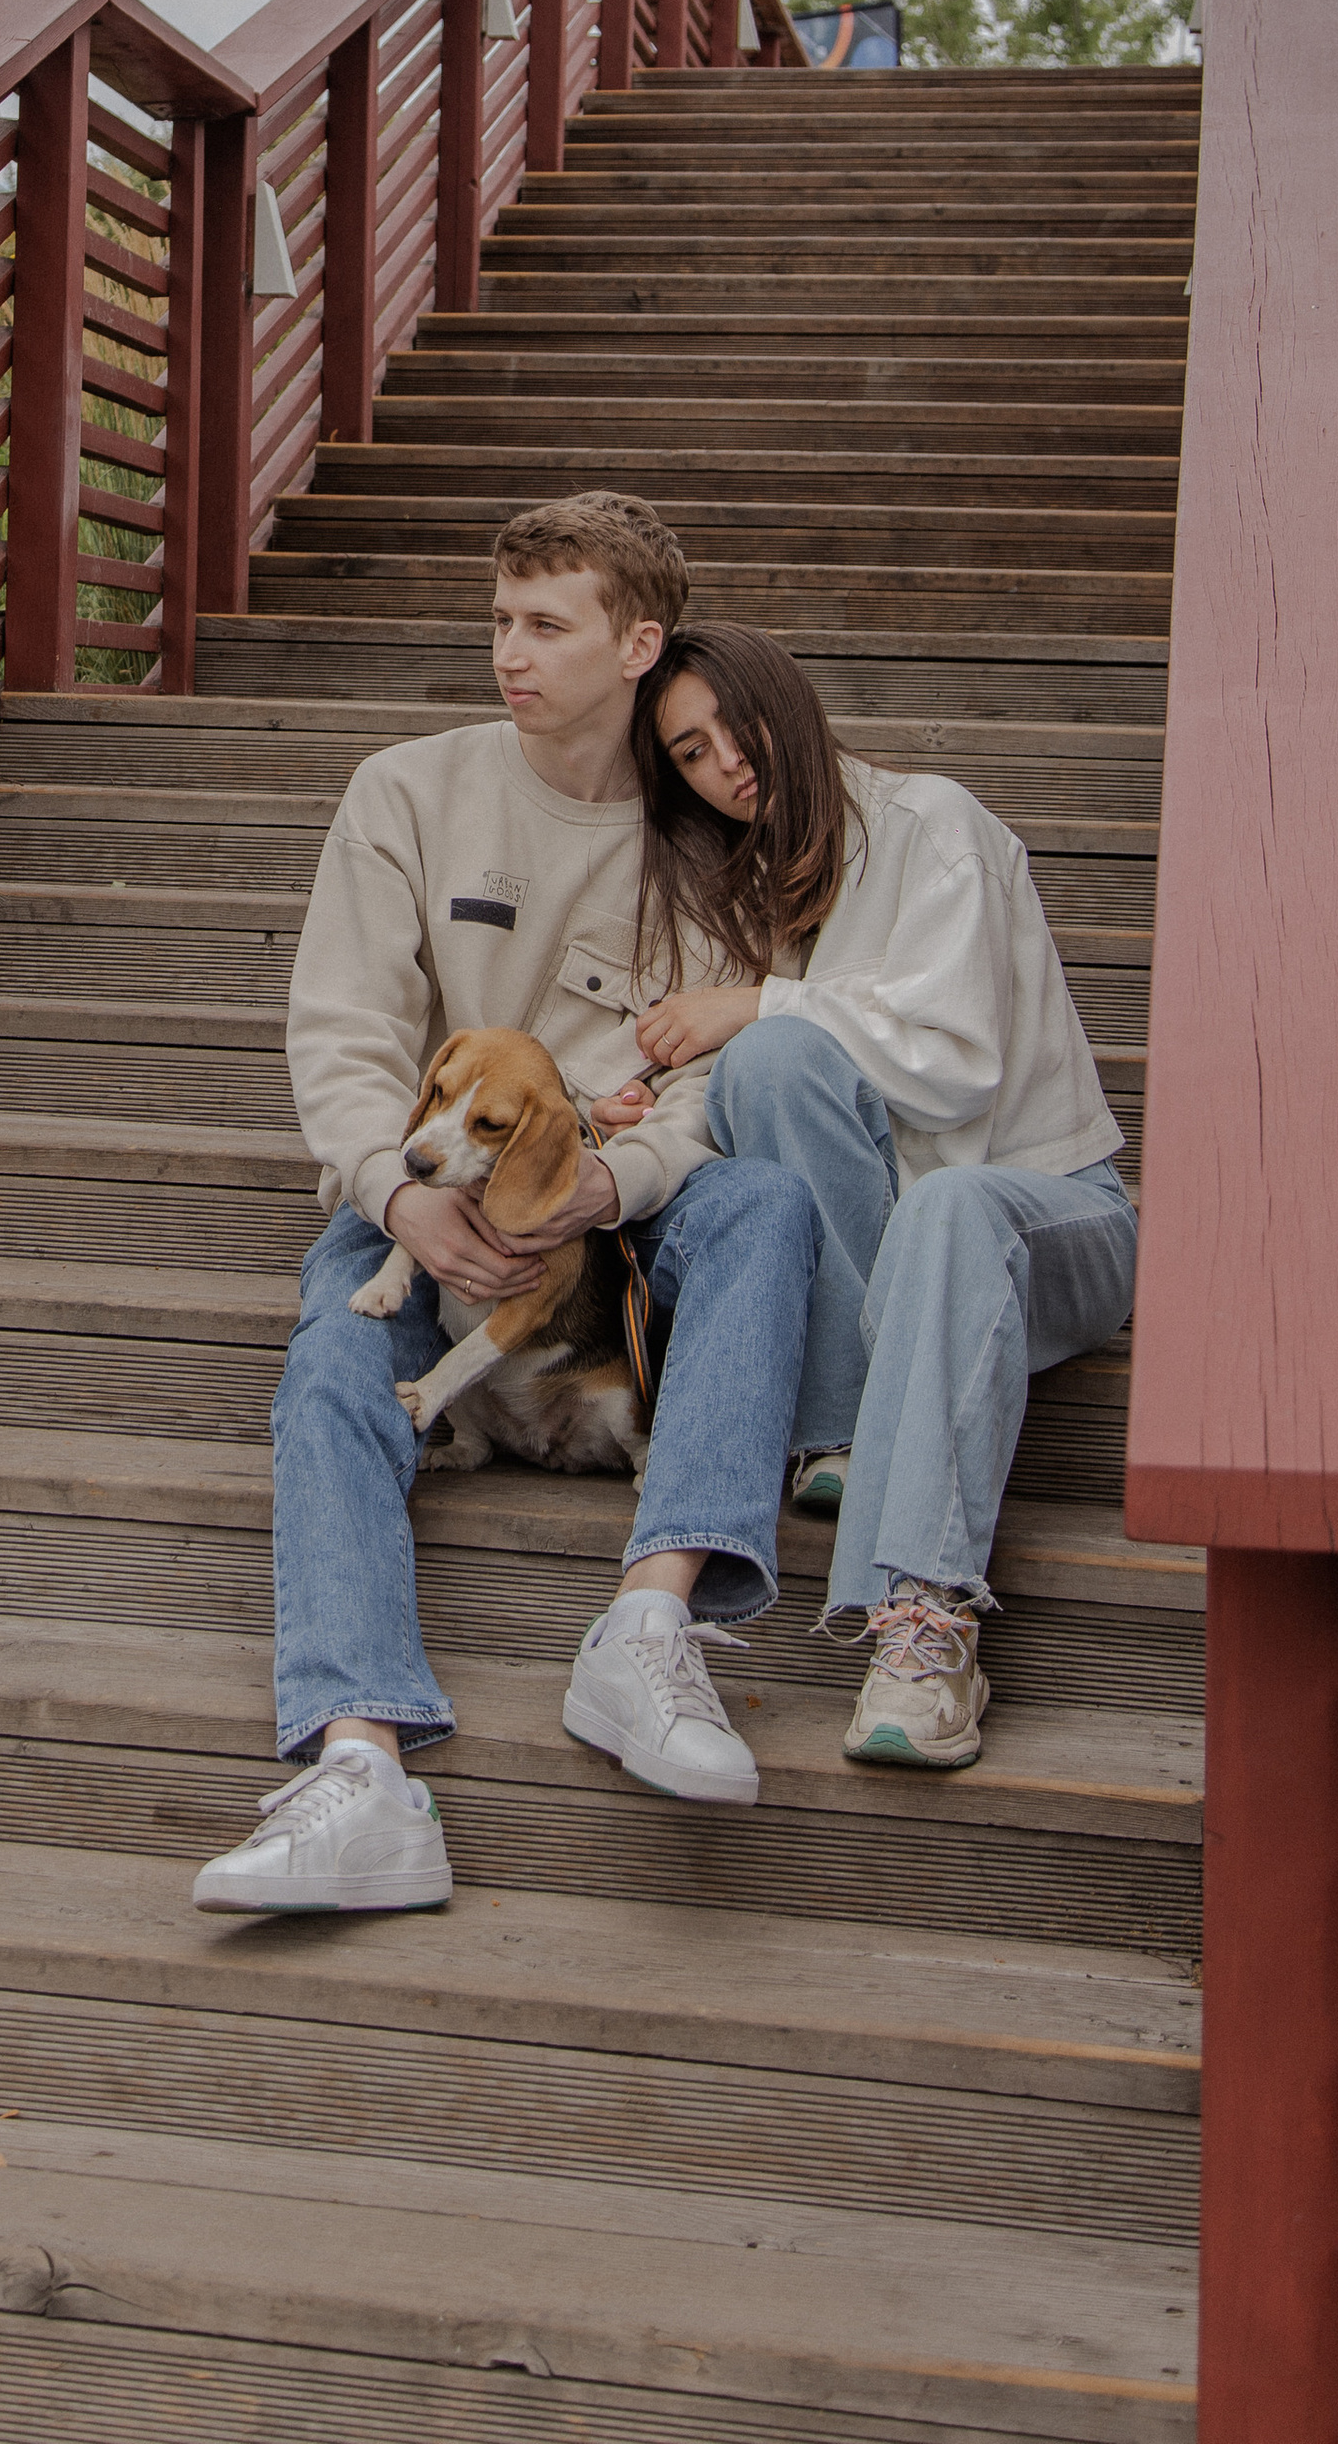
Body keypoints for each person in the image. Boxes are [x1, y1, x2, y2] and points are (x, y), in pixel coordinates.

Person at [191, 494, 821, 1918]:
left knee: (767, 1205)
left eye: (546, 624)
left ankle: (650, 1627)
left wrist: (609, 1182)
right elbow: (346, 1033)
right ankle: (361, 1768)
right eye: (499, 620)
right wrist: (392, 1196)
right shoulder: (406, 792)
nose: (508, 653)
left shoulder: (707, 835)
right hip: (431, 1191)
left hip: (623, 1205)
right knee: (334, 1356)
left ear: (638, 644)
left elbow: (711, 1077)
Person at [622, 621, 1137, 1772]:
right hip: (902, 1264)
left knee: (942, 1200)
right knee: (765, 1066)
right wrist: (647, 1114)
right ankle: (842, 1432)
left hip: (1054, 1219)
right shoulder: (765, 885)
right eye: (691, 754)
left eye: (733, 726)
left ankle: (925, 1622)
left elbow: (956, 1064)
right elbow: (765, 1083)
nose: (724, 764)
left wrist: (757, 1003)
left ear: (787, 701)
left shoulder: (931, 823)